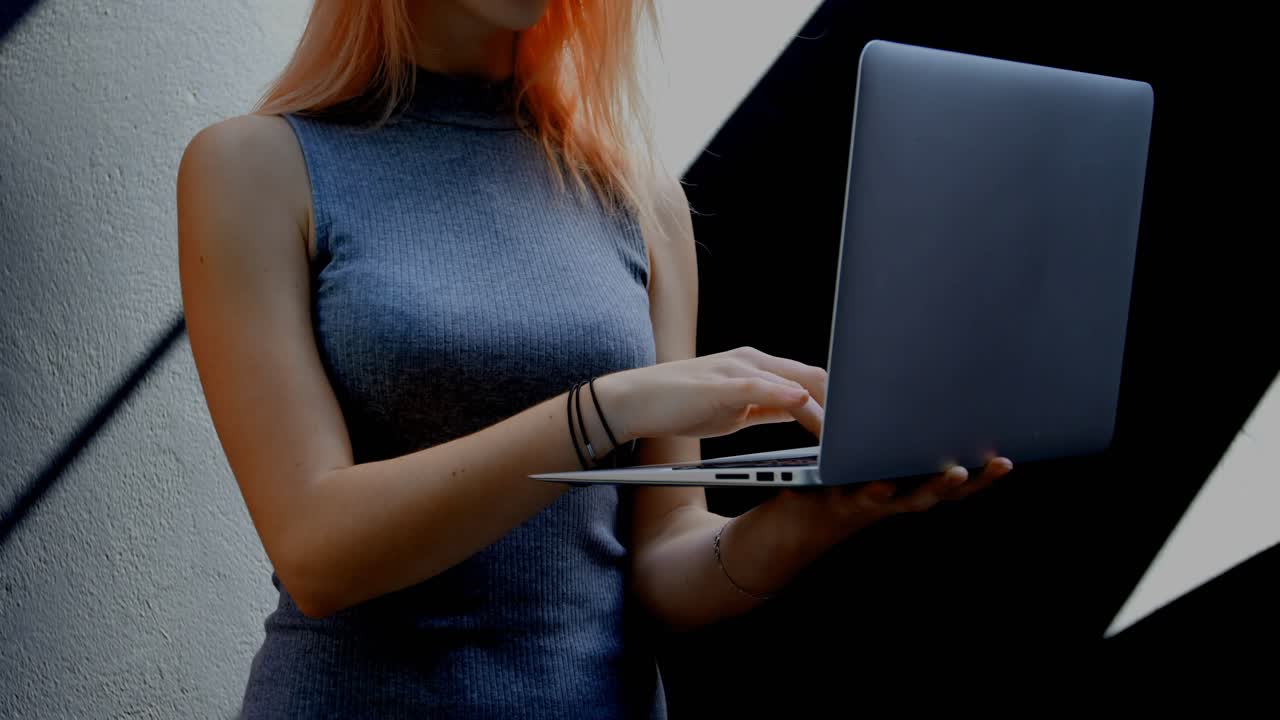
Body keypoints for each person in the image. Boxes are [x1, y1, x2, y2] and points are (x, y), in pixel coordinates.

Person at [176, 1, 1015, 717]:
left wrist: (822, 512)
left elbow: (661, 566)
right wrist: (605, 409)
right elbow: (317, 553)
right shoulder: (255, 167)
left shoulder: (634, 199)